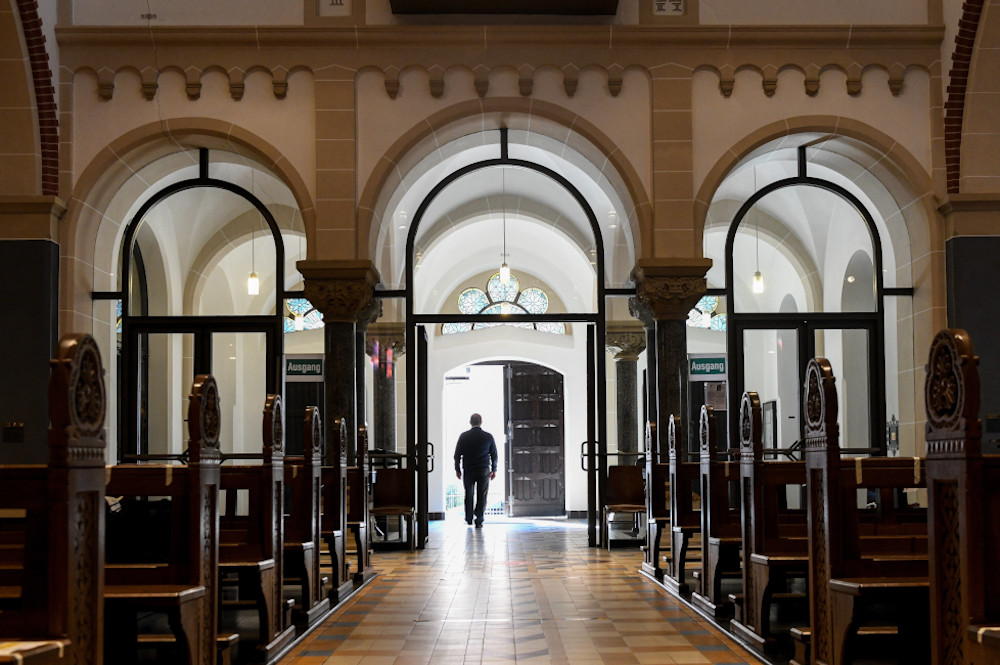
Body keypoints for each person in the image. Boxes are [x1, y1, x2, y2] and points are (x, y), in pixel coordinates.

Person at [454, 413, 498, 528]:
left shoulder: (463, 436)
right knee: (482, 494)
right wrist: (494, 469)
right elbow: (494, 455)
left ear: (470, 422)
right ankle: (479, 519)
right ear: (481, 422)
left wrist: (457, 469)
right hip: (483, 469)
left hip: (468, 469)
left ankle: (469, 518)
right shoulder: (488, 436)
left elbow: (457, 454)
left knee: (469, 493)